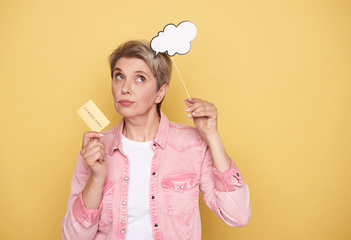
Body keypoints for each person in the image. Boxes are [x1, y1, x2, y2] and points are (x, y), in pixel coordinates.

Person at [62, 40, 251, 240]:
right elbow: (73, 238)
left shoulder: (192, 145)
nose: (125, 88)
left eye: (140, 79)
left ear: (160, 92)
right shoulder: (95, 149)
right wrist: (97, 177)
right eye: (119, 76)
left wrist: (212, 136)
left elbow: (238, 215)